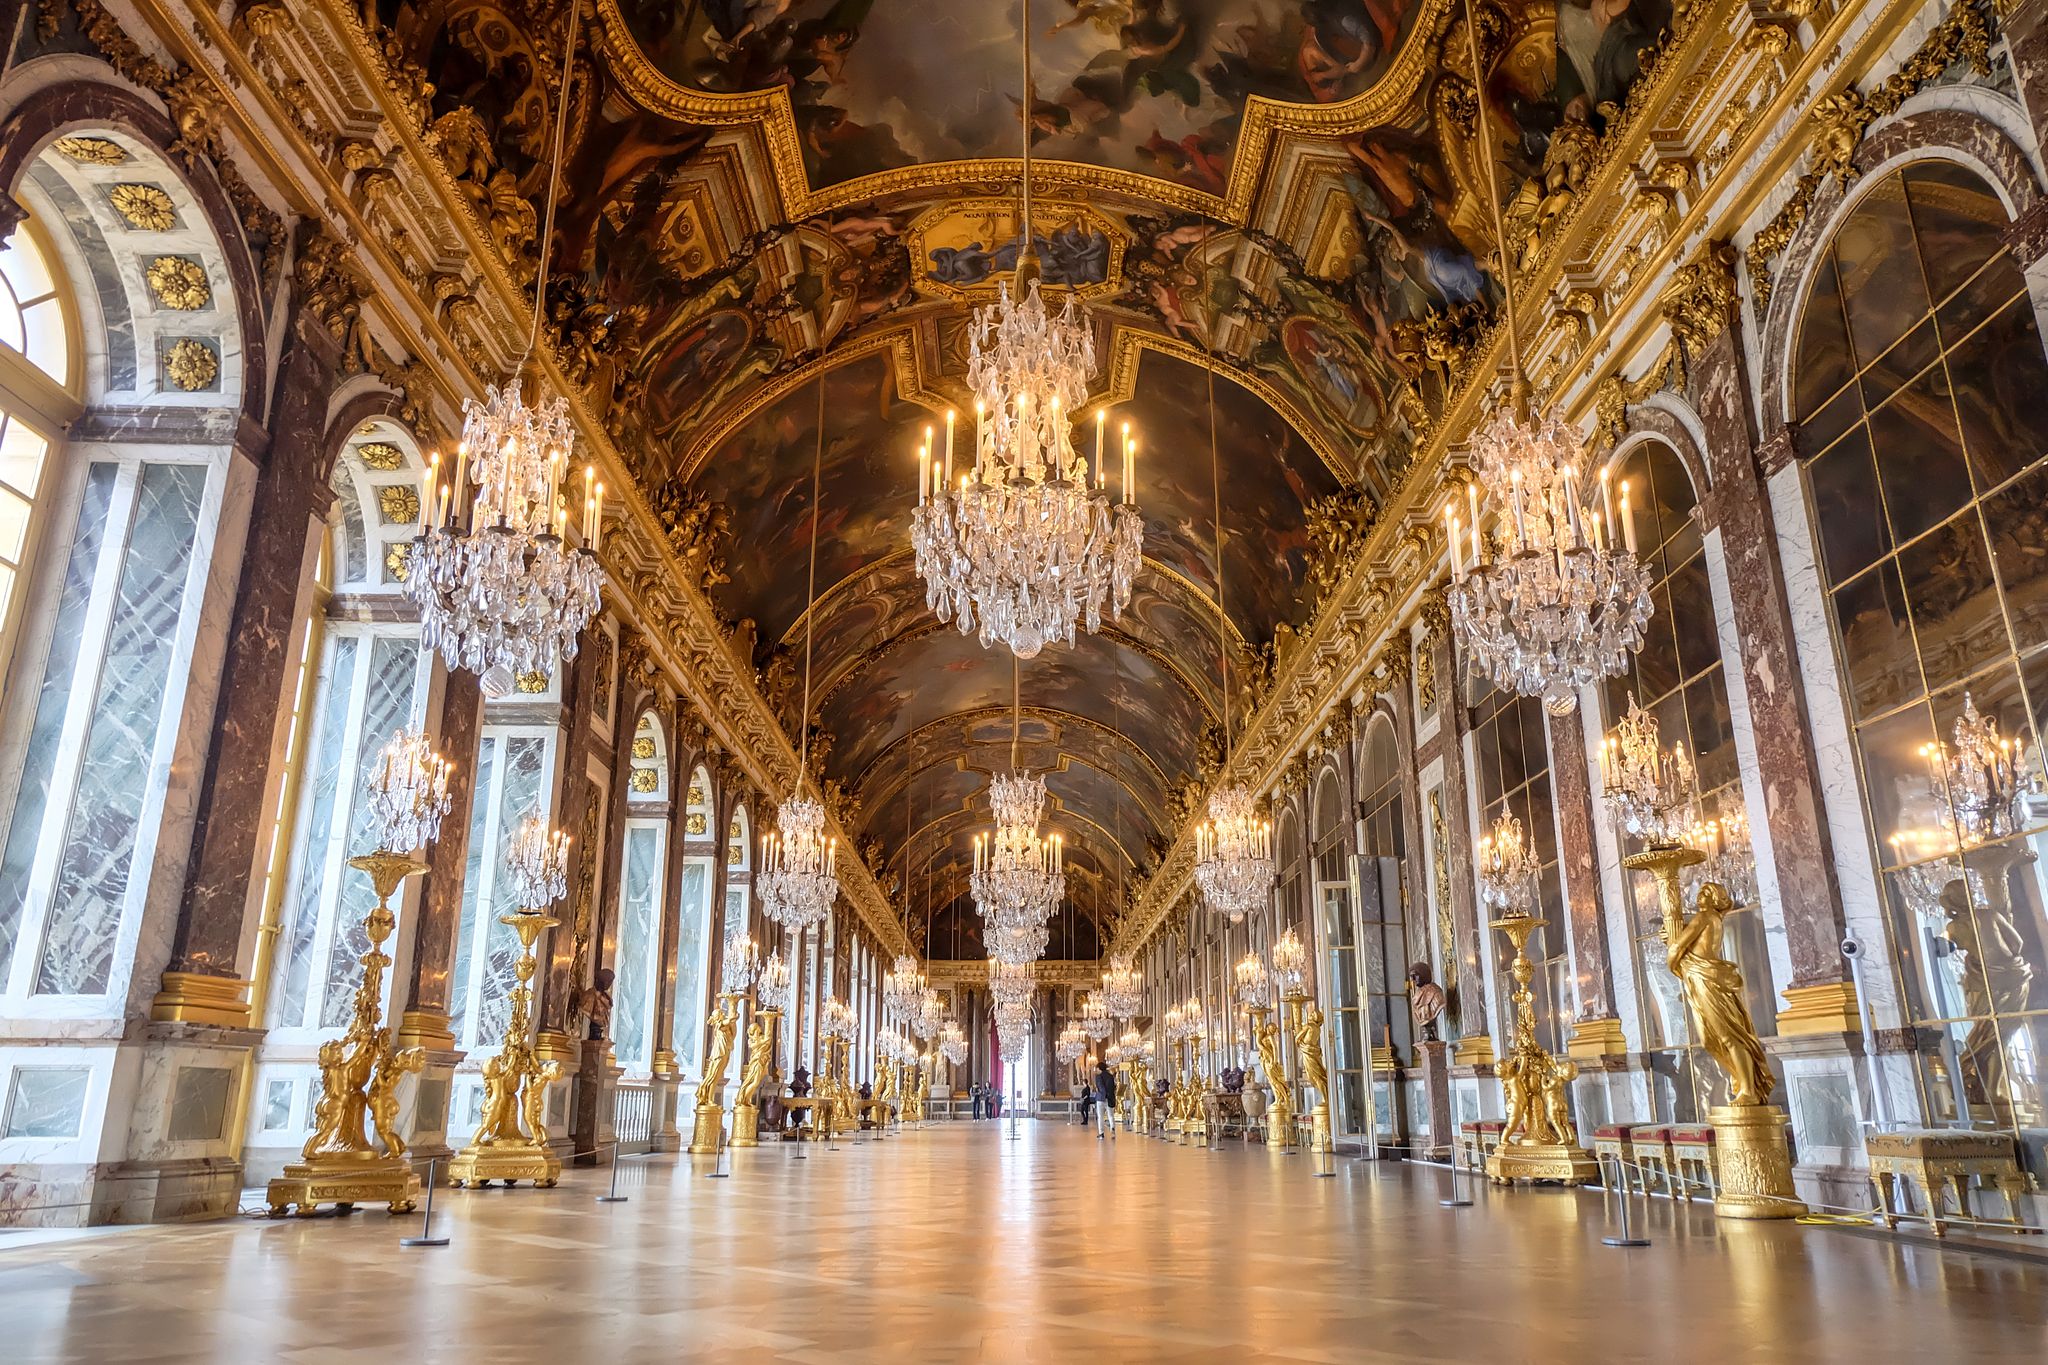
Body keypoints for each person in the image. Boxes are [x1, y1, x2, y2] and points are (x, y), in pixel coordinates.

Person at [1092, 1058, 1117, 1140]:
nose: (1096, 1070)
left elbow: (1100, 1087)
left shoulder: (1098, 1077)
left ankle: (1101, 1133)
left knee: (1100, 1117)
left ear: (1099, 1068)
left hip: (1100, 1099)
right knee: (1111, 1116)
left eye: (1097, 1068)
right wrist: (1109, 1095)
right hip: (1109, 1098)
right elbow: (1113, 1087)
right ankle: (1112, 1131)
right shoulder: (1110, 1076)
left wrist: (1103, 1094)